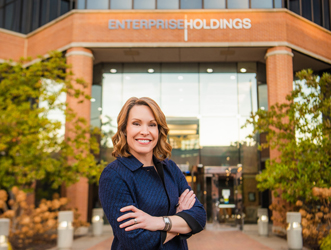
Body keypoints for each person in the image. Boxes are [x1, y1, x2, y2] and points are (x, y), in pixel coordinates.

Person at [99, 97, 206, 250]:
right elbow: (137, 241)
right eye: (136, 124)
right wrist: (179, 220)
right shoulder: (114, 175)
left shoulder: (170, 168)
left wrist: (157, 222)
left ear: (158, 130)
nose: (145, 131)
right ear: (124, 129)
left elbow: (199, 217)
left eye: (152, 124)